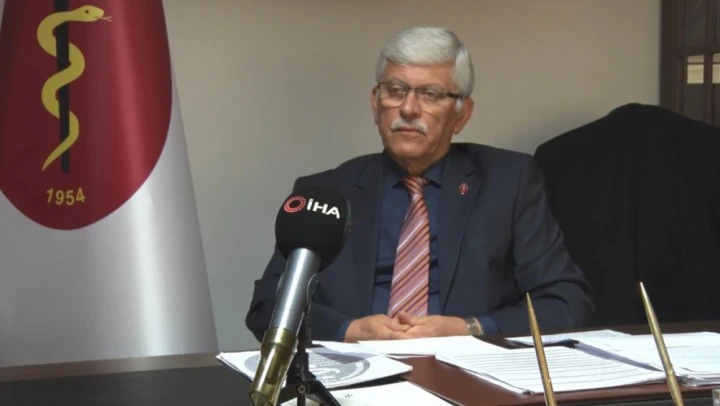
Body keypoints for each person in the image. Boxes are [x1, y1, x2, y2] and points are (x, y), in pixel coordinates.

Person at [245, 26, 593, 343]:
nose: (409, 109)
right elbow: (268, 305)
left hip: (470, 371)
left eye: (430, 94)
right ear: (375, 104)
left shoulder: (509, 181)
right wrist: (348, 331)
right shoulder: (327, 194)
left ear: (461, 114)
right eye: (395, 91)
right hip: (358, 371)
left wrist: (468, 328)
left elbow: (566, 303)